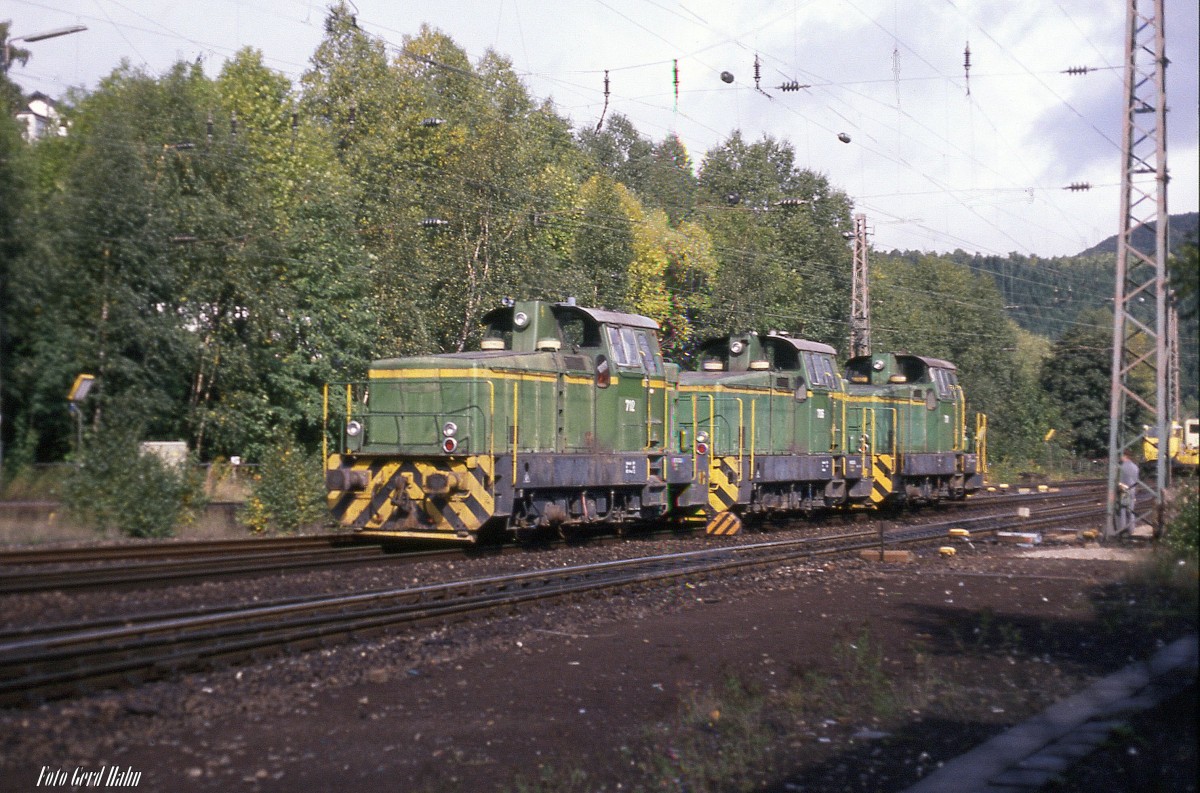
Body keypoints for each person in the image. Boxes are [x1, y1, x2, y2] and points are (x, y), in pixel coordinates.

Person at [1117, 450, 1139, 538]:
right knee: (1131, 510)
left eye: (1121, 456)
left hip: (1125, 490)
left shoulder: (1123, 467)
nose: (1120, 457)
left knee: (1123, 510)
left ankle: (1123, 529)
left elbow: (1121, 481)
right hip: (1133, 490)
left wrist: (1119, 487)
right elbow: (1136, 481)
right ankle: (1132, 529)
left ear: (1125, 456)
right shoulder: (1135, 467)